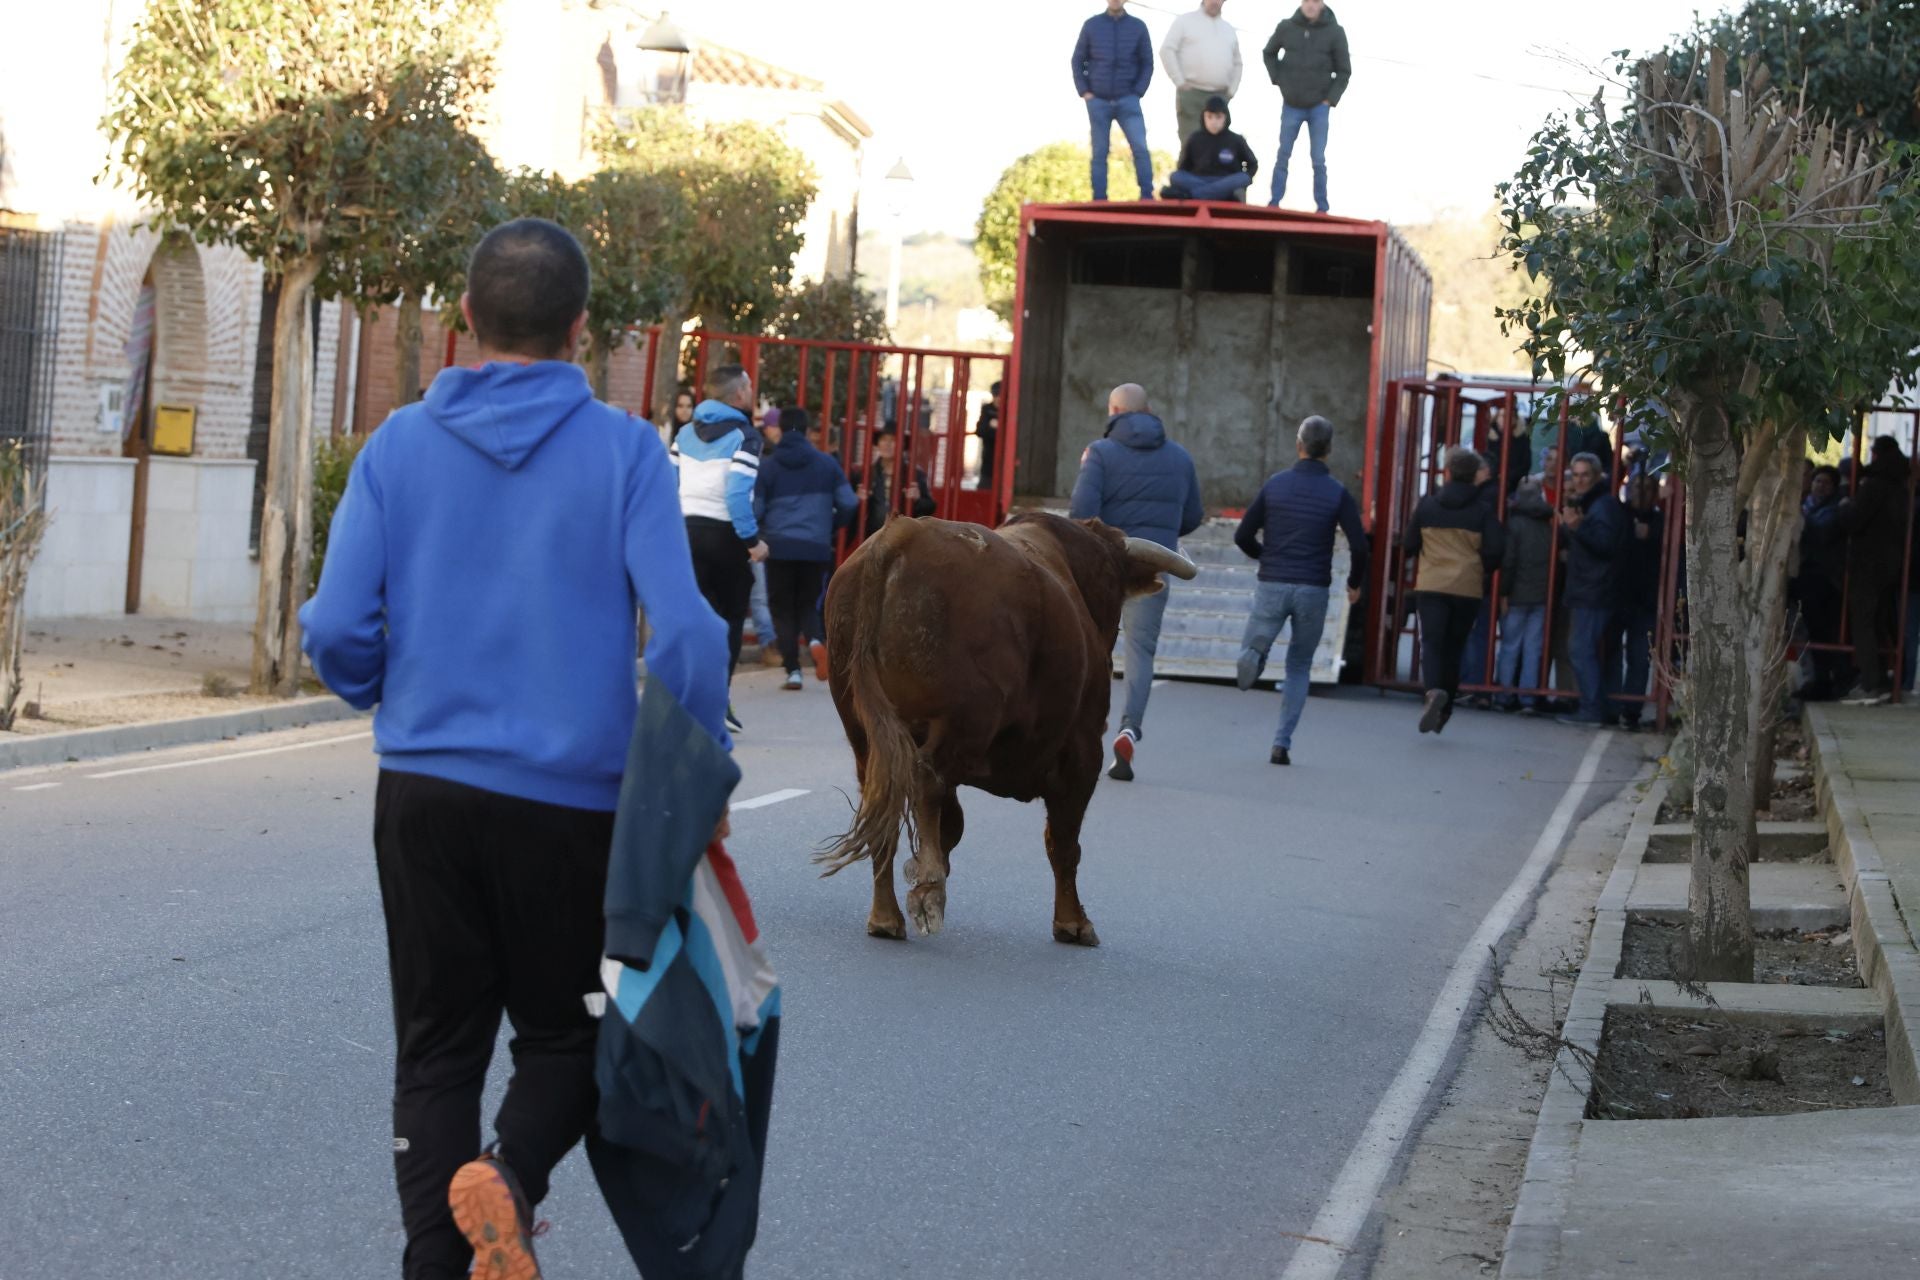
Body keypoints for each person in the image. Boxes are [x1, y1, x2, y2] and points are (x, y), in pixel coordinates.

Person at [299, 218, 732, 1280]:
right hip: (572, 807)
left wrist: (387, 689)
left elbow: (333, 629)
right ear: (583, 330)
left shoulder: (396, 446)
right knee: (575, 1032)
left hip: (424, 793)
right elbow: (688, 631)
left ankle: (436, 1265)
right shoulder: (630, 451)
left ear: (461, 319)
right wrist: (688, 774)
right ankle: (513, 1174)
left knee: (438, 1048)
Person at [1069, 382, 1205, 781]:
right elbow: (1192, 515)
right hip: (1153, 566)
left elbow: (1082, 511)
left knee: (1093, 649)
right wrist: (1160, 533)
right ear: (1149, 410)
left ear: (1114, 410)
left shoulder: (1100, 453)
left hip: (1105, 569)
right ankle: (1129, 729)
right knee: (1141, 652)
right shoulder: (1180, 457)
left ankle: (1087, 731)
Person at [1232, 414, 1369, 765]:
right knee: (1299, 666)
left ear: (1299, 445)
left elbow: (1242, 535)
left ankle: (1253, 654)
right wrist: (1354, 583)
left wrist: (1267, 557)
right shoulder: (1337, 493)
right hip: (1313, 588)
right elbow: (1360, 546)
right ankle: (1282, 743)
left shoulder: (1275, 485)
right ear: (1330, 450)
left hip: (1273, 581)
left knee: (1258, 637)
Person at [673, 364, 769, 735]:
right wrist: (752, 541)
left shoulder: (683, 434)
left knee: (697, 619)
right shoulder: (746, 436)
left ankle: (690, 699)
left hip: (684, 531)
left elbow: (669, 483)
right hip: (725, 536)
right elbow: (735, 494)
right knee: (729, 620)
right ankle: (716, 702)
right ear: (740, 395)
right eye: (749, 386)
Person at [1403, 448, 1506, 734]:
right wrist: (1480, 569)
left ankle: (1434, 692)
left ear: (1447, 472)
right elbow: (1497, 549)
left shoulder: (1428, 505)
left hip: (1432, 584)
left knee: (1433, 643)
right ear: (1475, 476)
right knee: (1455, 646)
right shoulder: (1483, 510)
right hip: (1467, 588)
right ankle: (1445, 708)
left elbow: (1410, 543)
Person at [755, 406, 858, 690]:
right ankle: (815, 641)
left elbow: (757, 508)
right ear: (807, 429)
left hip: (779, 548)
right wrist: (832, 526)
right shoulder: (827, 464)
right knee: (808, 604)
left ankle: (793, 671)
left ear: (781, 430)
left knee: (782, 608)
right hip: (815, 547)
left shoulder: (769, 466)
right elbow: (849, 502)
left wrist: (763, 532)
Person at [1838, 435, 1911, 705]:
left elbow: (1854, 520)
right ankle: (1881, 678)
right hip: (1891, 564)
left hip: (1868, 563)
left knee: (1864, 621)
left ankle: (1871, 682)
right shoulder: (1901, 486)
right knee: (1880, 622)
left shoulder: (1874, 485)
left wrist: (1845, 505)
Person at [1556, 451, 1626, 727]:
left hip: (1594, 589)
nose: (1580, 480)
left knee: (1581, 649)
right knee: (1590, 650)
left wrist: (1578, 527)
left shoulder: (1602, 506)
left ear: (1597, 476)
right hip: (1593, 587)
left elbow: (1605, 546)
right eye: (1576, 474)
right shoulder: (1594, 503)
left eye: (1586, 475)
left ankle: (1592, 708)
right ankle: (1602, 707)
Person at [1261, 0, 1350, 212]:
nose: (1311, 5)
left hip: (1319, 106)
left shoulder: (1335, 32)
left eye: (1316, 1)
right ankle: (1274, 202)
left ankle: (1322, 207)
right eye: (1307, 1)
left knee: (1318, 158)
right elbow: (1269, 53)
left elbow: (1344, 71)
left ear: (1322, 5)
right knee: (1283, 153)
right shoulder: (1286, 27)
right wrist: (1278, 79)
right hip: (1291, 103)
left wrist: (1330, 99)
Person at [1072, 0, 1156, 202]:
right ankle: (1099, 198)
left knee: (1140, 148)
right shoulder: (1092, 25)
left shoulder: (1138, 26)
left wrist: (1137, 91)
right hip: (1098, 100)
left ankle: (1147, 195)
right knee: (1099, 152)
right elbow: (1078, 60)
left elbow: (1147, 63)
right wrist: (1085, 91)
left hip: (1128, 99)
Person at [1495, 479, 1555, 714]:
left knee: (1510, 646)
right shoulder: (1549, 523)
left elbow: (1509, 561)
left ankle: (1505, 694)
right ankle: (1527, 698)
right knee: (1533, 647)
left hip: (1517, 593)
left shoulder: (1515, 523)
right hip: (1541, 594)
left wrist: (1504, 592)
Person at [1611, 475, 1663, 730]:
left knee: (1639, 656)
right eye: (1634, 487)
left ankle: (1631, 709)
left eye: (1645, 488)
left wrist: (1650, 535)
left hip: (1646, 599)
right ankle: (1610, 704)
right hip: (1617, 595)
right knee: (1609, 652)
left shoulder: (1661, 521)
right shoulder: (1618, 515)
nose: (1638, 493)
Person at [1795, 464, 1847, 701]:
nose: (1820, 486)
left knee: (1820, 633)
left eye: (1826, 482)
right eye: (1817, 481)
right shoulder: (1804, 506)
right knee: (1803, 632)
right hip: (1803, 579)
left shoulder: (1833, 511)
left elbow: (1823, 536)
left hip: (1822, 581)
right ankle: (1811, 679)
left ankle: (1822, 681)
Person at [1161, 0, 1243, 145]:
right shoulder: (1185, 21)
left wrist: (1231, 90)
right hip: (1191, 94)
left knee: (1217, 146)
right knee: (1191, 144)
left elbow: (1238, 63)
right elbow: (1167, 50)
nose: (1215, 2)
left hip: (1220, 96)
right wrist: (1179, 81)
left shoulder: (1228, 29)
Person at [1164, 95, 1260, 201]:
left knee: (1243, 178)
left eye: (1218, 117)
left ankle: (1191, 195)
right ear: (1203, 117)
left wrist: (1239, 180)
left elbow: (1252, 165)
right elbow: (1183, 168)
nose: (1213, 122)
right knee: (1175, 176)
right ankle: (1220, 195)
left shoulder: (1236, 139)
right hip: (1199, 179)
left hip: (1226, 181)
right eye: (1209, 117)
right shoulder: (1194, 138)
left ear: (1225, 117)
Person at [748, 410, 784, 668]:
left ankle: (769, 643)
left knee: (760, 595)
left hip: (755, 532)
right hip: (757, 533)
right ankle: (769, 644)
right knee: (760, 595)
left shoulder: (765, 455)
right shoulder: (769, 457)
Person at [860, 425, 936, 538]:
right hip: (873, 539)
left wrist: (918, 499)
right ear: (878, 443)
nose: (887, 444)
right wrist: (858, 500)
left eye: (893, 440)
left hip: (904, 539)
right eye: (883, 439)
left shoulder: (914, 474)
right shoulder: (867, 474)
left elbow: (930, 506)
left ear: (902, 445)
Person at [975, 381, 1002, 491]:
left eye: (1000, 395)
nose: (998, 398)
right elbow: (980, 431)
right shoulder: (987, 409)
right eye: (996, 395)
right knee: (985, 489)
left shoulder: (1008, 410)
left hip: (1004, 460)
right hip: (988, 459)